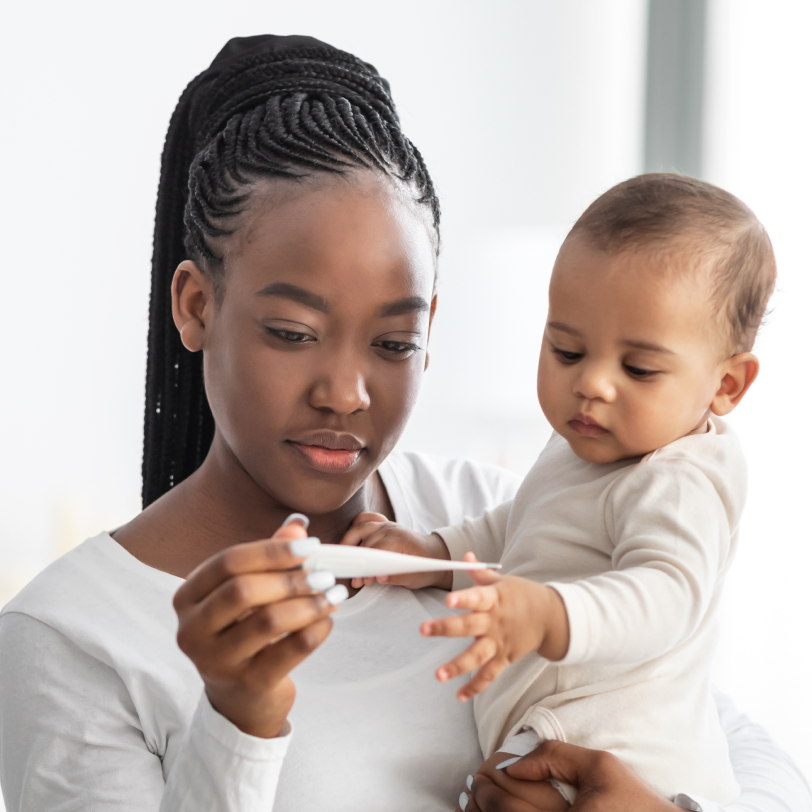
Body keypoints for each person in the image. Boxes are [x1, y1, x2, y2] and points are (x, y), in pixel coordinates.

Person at [0, 35, 808, 812]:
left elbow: (740, 748)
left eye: (394, 342)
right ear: (195, 304)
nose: (347, 393)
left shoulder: (490, 513)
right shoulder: (72, 637)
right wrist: (240, 717)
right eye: (293, 333)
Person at [342, 174, 774, 808]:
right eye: (567, 351)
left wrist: (550, 614)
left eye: (639, 369)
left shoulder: (679, 479)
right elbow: (523, 526)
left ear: (726, 386)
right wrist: (434, 553)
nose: (592, 384)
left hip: (627, 757)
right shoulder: (585, 444)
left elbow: (666, 594)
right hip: (553, 733)